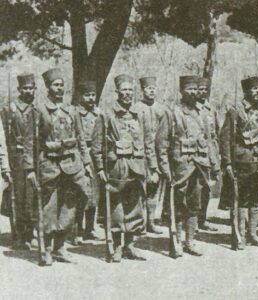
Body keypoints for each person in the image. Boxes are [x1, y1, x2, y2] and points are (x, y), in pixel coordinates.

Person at [24, 68, 92, 265]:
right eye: (56, 85)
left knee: (69, 206)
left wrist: (86, 164)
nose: (59, 88)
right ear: (48, 87)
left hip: (72, 165)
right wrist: (29, 169)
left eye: (62, 85)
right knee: (48, 208)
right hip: (49, 166)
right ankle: (45, 249)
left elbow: (80, 138)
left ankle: (60, 247)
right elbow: (30, 142)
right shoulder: (38, 110)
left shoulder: (72, 110)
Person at [91, 74, 158, 262]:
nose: (128, 94)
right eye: (124, 90)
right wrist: (100, 170)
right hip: (116, 168)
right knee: (116, 208)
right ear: (117, 93)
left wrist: (152, 168)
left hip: (136, 168)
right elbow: (96, 147)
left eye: (130, 90)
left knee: (135, 207)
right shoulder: (106, 115)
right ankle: (117, 246)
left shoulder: (140, 115)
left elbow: (148, 143)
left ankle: (130, 246)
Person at [156, 75, 211, 257]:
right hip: (179, 167)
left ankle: (190, 241)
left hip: (199, 165)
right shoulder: (171, 113)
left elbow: (208, 140)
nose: (193, 93)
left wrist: (211, 163)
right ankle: (176, 241)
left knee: (195, 204)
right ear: (181, 91)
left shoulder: (202, 113)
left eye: (196, 89)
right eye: (189, 89)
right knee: (177, 205)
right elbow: (162, 144)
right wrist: (165, 168)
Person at [219, 76, 258, 250]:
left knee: (257, 198)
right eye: (254, 89)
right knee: (241, 200)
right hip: (242, 162)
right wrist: (227, 163)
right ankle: (239, 235)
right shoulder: (236, 112)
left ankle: (253, 234)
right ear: (246, 92)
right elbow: (225, 138)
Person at [1, 73, 37, 249]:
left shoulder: (38, 109)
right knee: (16, 197)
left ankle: (30, 234)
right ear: (19, 90)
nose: (28, 91)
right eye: (25, 89)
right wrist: (5, 164)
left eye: (31, 88)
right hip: (16, 160)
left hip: (36, 160)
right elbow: (5, 138)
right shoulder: (10, 110)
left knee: (32, 197)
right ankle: (18, 235)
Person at [132, 76, 168, 234]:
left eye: (153, 88)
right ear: (142, 90)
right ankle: (139, 223)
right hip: (141, 156)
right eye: (148, 88)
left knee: (154, 190)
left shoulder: (162, 109)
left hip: (158, 154)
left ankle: (151, 222)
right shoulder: (136, 109)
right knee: (140, 190)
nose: (151, 91)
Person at [73, 81, 101, 244]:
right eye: (87, 95)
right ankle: (77, 230)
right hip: (80, 155)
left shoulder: (99, 113)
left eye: (93, 95)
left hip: (96, 156)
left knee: (94, 194)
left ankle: (91, 228)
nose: (91, 98)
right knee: (81, 194)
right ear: (80, 97)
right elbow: (77, 137)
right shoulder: (76, 113)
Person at [196, 76, 220, 232]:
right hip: (197, 153)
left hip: (211, 153)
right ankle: (191, 221)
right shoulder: (192, 109)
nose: (203, 92)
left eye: (205, 89)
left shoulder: (211, 109)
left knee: (207, 187)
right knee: (195, 188)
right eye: (200, 90)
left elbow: (216, 132)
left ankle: (202, 219)